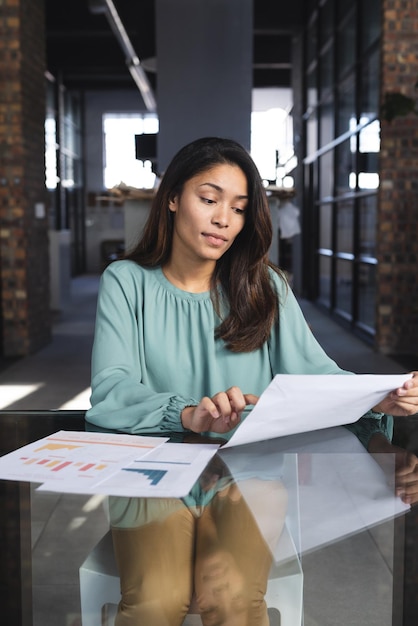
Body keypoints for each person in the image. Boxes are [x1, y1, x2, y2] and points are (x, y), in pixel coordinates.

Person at [85, 137, 418, 624]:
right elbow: (111, 390)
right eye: (209, 198)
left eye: (239, 209)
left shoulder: (266, 288)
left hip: (253, 475)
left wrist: (378, 399)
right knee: (156, 600)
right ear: (173, 197)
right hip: (150, 475)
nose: (224, 219)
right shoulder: (126, 282)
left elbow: (320, 377)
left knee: (233, 598)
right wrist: (186, 413)